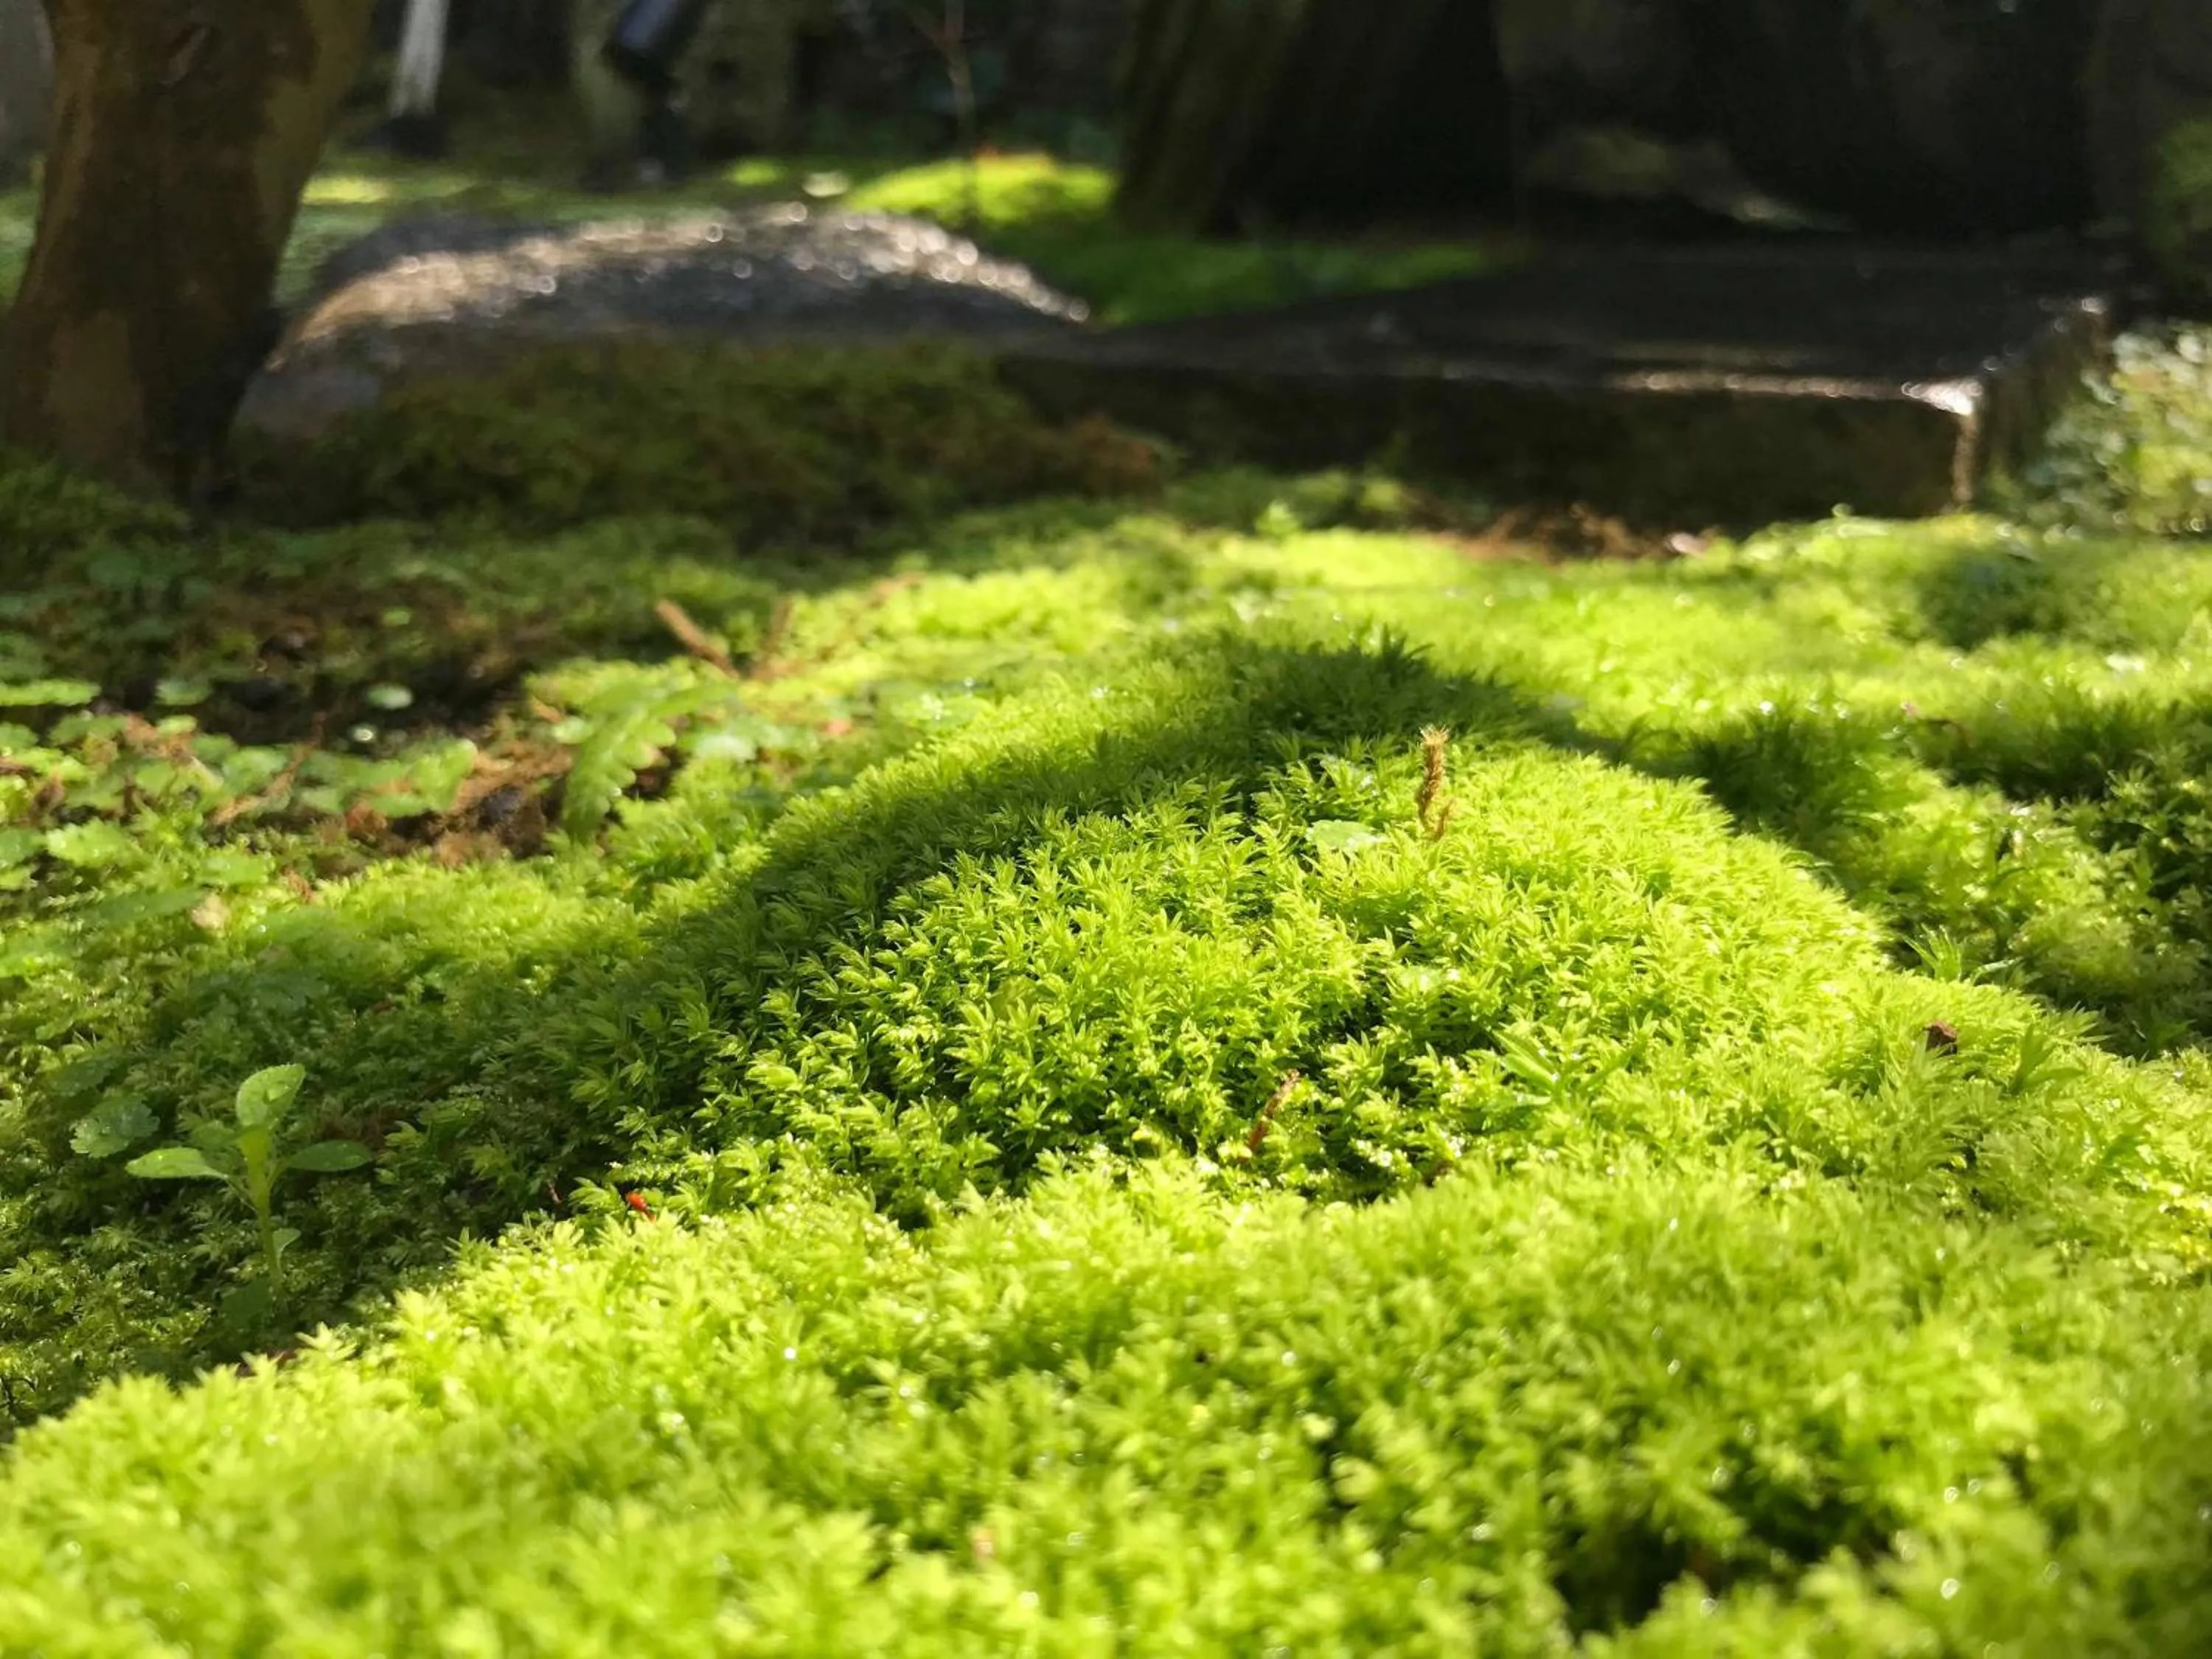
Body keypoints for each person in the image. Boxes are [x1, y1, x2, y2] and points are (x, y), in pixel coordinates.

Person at [593, 0, 715, 185]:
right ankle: (667, 167)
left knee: (660, 101)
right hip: (638, 51)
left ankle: (655, 166)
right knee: (668, 101)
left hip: (626, 48)